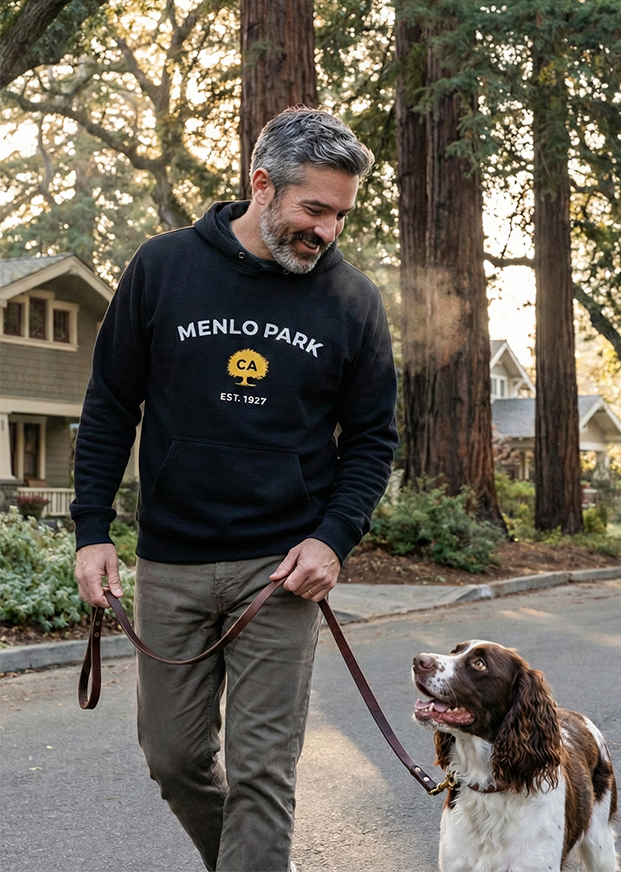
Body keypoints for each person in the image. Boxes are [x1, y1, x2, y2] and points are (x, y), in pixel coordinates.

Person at [72, 107, 398, 872]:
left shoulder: (352, 301)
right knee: (174, 759)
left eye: (341, 215)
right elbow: (111, 405)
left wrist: (333, 538)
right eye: (314, 209)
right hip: (172, 562)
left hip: (282, 569)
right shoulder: (164, 268)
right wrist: (92, 530)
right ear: (262, 185)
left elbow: (373, 440)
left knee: (262, 772)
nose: (327, 231)